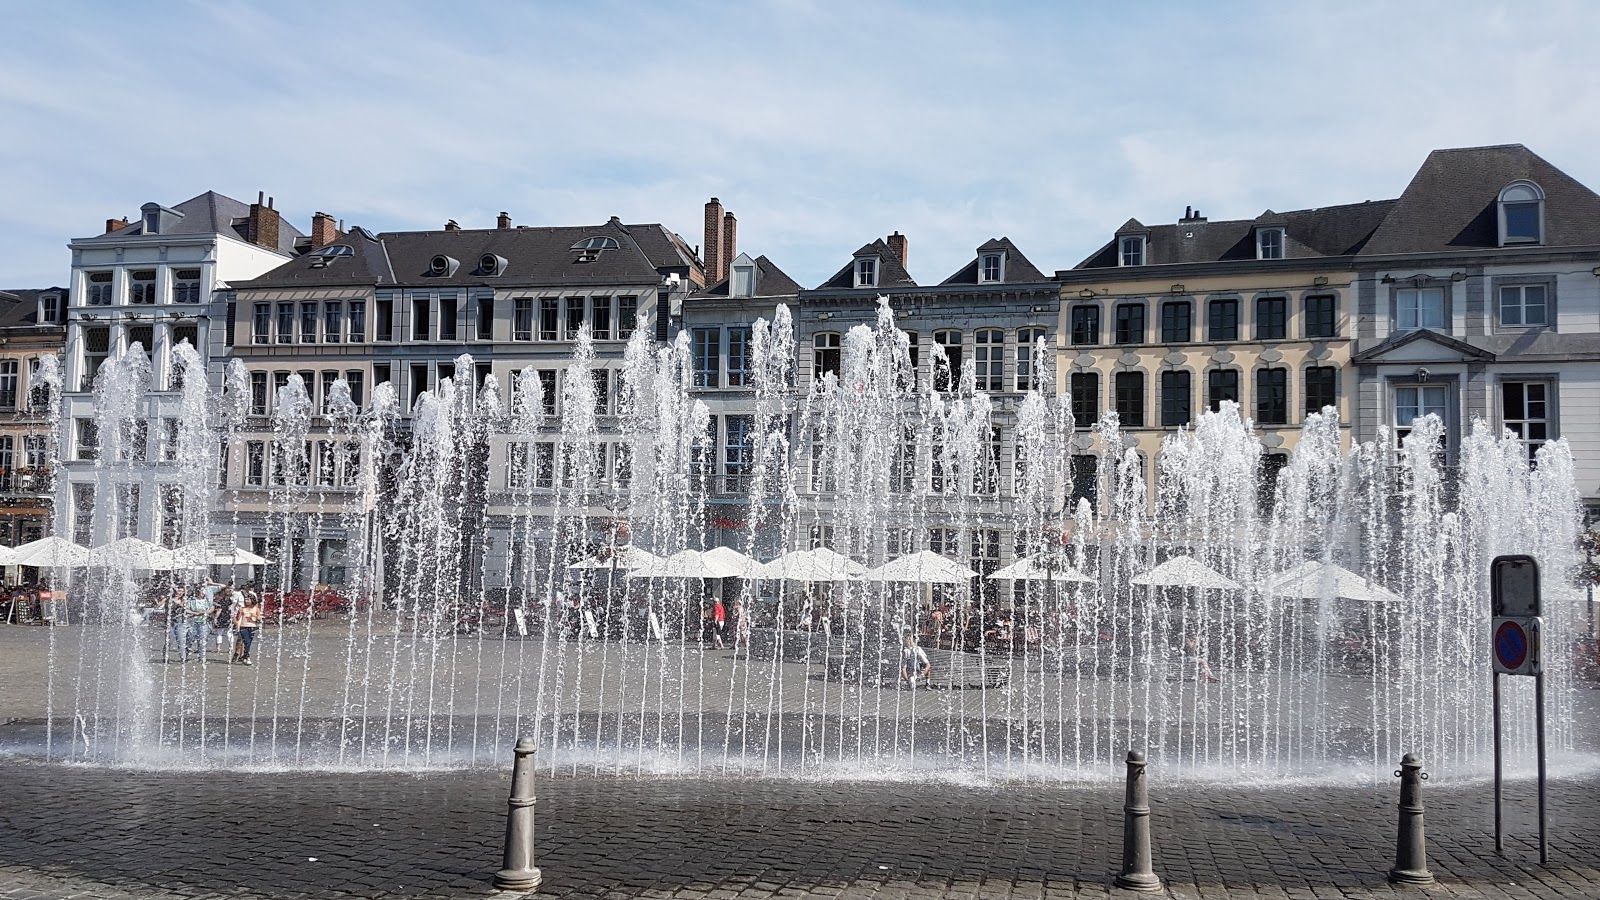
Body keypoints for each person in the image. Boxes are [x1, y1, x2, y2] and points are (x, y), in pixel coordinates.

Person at [233, 593, 263, 665]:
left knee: (249, 643)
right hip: (243, 626)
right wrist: (236, 622)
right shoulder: (242, 609)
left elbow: (259, 619)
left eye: (248, 599)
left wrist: (254, 616)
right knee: (246, 642)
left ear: (252, 600)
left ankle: (245, 657)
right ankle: (247, 657)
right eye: (245, 599)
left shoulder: (256, 609)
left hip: (252, 627)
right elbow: (237, 618)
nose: (246, 601)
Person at [211, 582, 237, 654]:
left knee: (219, 633)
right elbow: (232, 608)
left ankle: (218, 648)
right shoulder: (233, 599)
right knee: (229, 633)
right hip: (229, 616)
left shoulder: (222, 600)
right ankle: (231, 648)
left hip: (222, 616)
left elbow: (219, 610)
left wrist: (215, 618)